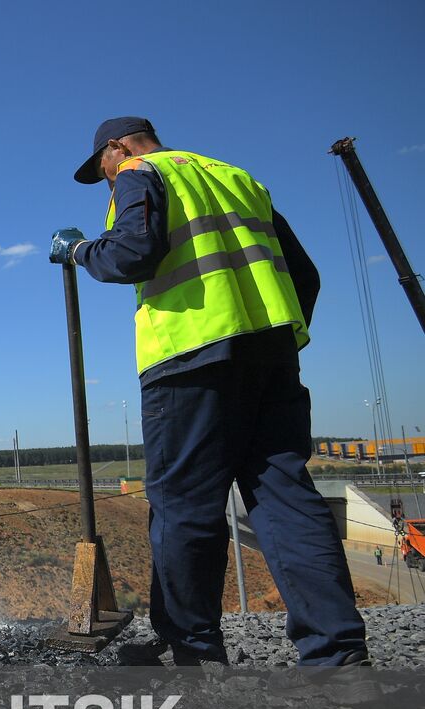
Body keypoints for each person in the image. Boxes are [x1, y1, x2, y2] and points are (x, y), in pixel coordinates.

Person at [50, 117, 367, 667]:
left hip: (189, 358)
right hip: (271, 354)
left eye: (101, 164)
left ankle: (191, 653)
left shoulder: (139, 171)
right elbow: (306, 275)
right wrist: (278, 338)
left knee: (184, 507)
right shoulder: (237, 178)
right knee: (285, 498)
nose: (106, 176)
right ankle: (339, 658)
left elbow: (131, 254)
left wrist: (80, 251)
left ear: (116, 147)